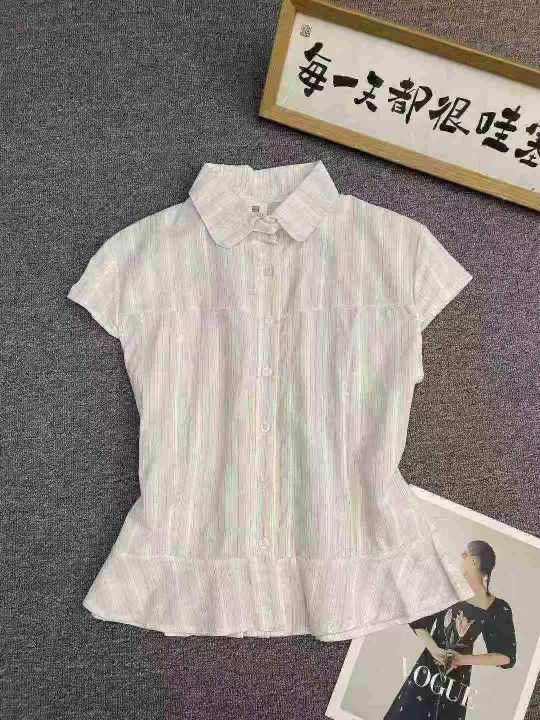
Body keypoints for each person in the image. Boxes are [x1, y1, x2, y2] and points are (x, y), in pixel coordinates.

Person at [383, 541, 516, 720]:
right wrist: (434, 649)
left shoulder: (498, 608)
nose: (461, 558)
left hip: (456, 683)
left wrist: (463, 660)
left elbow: (506, 656)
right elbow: (416, 618)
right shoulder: (447, 589)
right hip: (426, 671)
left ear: (474, 561)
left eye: (464, 554)